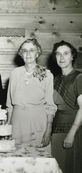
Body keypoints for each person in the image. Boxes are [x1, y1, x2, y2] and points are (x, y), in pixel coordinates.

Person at [6, 38, 57, 149]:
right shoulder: (15, 73)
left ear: (37, 52)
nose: (28, 54)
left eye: (32, 50)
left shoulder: (46, 74)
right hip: (17, 124)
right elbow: (9, 106)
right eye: (24, 50)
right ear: (21, 54)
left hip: (37, 124)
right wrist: (8, 128)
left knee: (38, 162)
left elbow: (50, 106)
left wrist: (48, 130)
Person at [51, 40, 82, 173]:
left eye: (66, 53)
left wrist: (72, 133)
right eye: (58, 54)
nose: (61, 57)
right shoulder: (56, 79)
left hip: (72, 130)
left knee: (70, 168)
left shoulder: (79, 77)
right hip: (56, 130)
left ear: (72, 56)